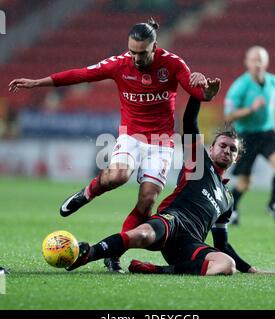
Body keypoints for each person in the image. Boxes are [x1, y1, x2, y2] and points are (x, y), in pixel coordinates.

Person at [9, 18, 219, 272]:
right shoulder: (120, 64)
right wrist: (37, 82)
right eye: (132, 51)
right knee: (118, 175)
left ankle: (114, 254)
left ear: (154, 47)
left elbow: (196, 92)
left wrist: (207, 92)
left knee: (147, 200)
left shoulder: (173, 64)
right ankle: (86, 193)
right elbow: (81, 74)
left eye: (142, 53)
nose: (136, 58)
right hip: (131, 136)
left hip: (161, 142)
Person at [65, 93, 275, 276]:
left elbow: (222, 244)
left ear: (236, 158)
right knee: (141, 235)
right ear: (211, 148)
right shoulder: (199, 163)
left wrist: (250, 269)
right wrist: (198, 95)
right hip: (172, 221)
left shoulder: (228, 198)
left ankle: (155, 270)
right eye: (223, 146)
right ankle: (88, 254)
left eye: (232, 150)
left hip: (190, 244)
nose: (227, 151)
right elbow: (189, 123)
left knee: (226, 265)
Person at [224, 46, 275, 226]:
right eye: (254, 60)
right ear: (247, 62)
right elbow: (228, 115)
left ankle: (273, 203)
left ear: (266, 62)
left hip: (267, 132)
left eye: (261, 60)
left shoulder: (274, 81)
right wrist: (251, 109)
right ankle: (232, 208)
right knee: (245, 183)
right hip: (245, 135)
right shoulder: (240, 86)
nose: (258, 64)